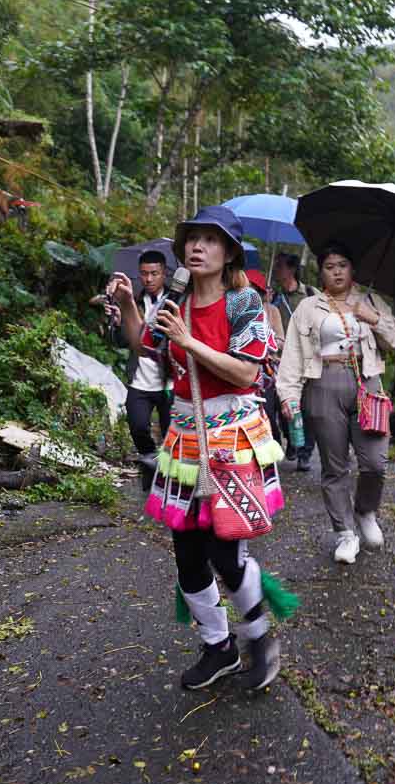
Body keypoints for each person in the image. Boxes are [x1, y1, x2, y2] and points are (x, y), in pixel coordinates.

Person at [106, 206, 288, 692]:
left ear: (228, 252)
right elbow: (147, 346)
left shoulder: (243, 303)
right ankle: (218, 646)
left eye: (210, 240)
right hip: (184, 437)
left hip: (231, 437)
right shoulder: (174, 300)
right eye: (191, 238)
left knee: (225, 551)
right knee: (186, 552)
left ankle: (258, 635)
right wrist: (128, 304)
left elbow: (248, 373)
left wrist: (190, 342)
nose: (196, 247)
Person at [275, 241, 395, 565]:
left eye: (342, 265)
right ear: (321, 271)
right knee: (334, 466)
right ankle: (345, 533)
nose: (336, 271)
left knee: (375, 461)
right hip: (323, 384)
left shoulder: (369, 298)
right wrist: (289, 395)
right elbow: (292, 354)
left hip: (367, 383)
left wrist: (372, 317)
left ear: (353, 269)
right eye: (330, 266)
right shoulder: (308, 307)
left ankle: (365, 510)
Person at [110, 250, 172, 462]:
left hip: (168, 381)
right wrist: (119, 324)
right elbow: (121, 342)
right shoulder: (132, 300)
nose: (149, 279)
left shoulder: (175, 301)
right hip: (139, 380)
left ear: (164, 273)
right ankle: (149, 462)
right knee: (137, 427)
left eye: (154, 273)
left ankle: (168, 473)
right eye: (144, 274)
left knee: (171, 435)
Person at [270, 252, 318, 471]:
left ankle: (305, 454)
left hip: (308, 358)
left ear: (291, 269)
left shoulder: (310, 294)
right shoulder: (275, 298)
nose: (276, 269)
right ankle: (292, 439)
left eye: (279, 266)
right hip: (282, 360)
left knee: (308, 408)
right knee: (285, 406)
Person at [245, 268, 284, 437]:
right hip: (241, 369)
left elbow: (281, 341)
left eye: (252, 289)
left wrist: (267, 339)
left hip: (265, 371)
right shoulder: (232, 309)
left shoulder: (271, 311)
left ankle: (274, 447)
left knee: (267, 412)